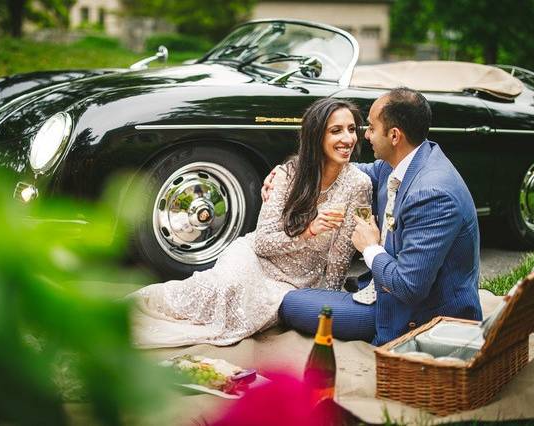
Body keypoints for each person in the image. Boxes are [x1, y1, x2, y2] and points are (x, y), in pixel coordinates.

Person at [128, 98, 373, 348]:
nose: (348, 139)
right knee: (217, 289)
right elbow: (263, 244)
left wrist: (327, 301)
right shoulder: (288, 175)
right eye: (336, 130)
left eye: (352, 129)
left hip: (298, 280)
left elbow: (340, 256)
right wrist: (309, 231)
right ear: (315, 136)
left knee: (246, 315)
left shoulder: (359, 184)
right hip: (255, 258)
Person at [264, 88, 482, 345]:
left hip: (417, 313)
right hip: (381, 289)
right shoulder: (407, 162)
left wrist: (370, 248)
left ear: (394, 136)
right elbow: (348, 171)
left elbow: (409, 288)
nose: (364, 135)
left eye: (371, 128)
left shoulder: (432, 194)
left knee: (288, 302)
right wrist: (291, 171)